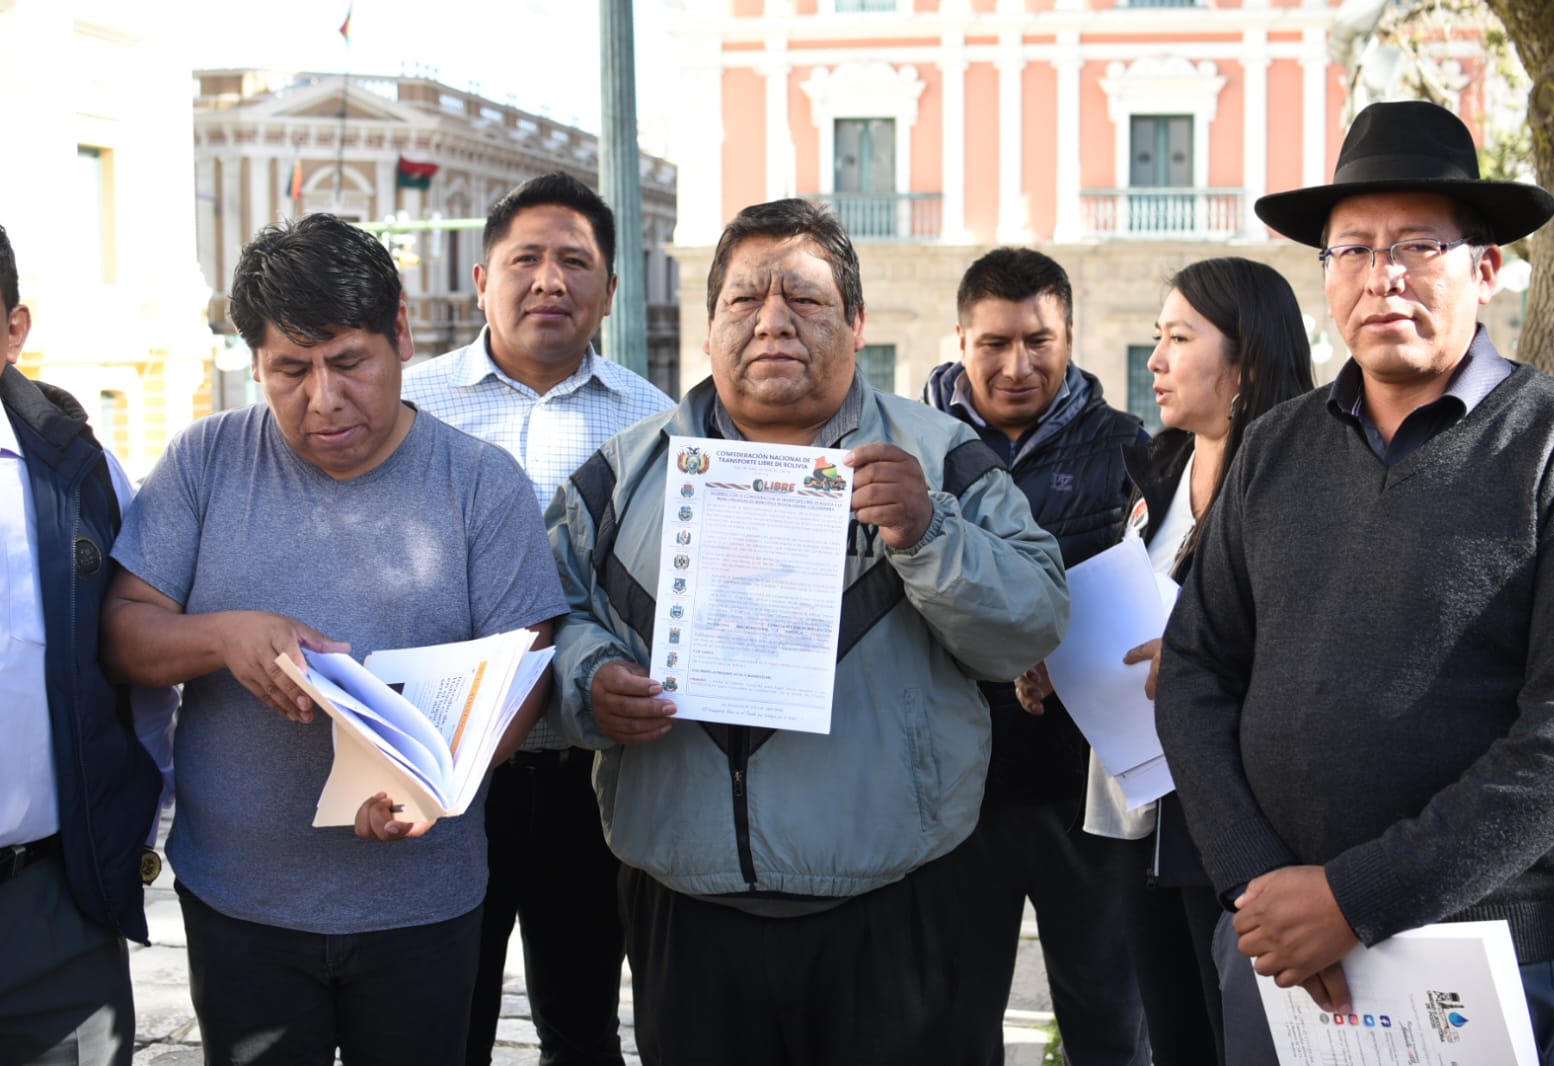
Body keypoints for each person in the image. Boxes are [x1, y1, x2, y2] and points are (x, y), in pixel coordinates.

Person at [546, 198, 1070, 1066]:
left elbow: (1029, 625)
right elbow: (550, 614)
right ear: (709, 325)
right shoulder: (619, 476)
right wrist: (588, 680)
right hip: (688, 916)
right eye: (744, 300)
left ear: (857, 323)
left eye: (807, 301)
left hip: (900, 910)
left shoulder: (940, 456)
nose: (773, 323)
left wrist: (928, 533)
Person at [1156, 99, 1554, 1066]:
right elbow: (1194, 673)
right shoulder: (1272, 446)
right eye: (1350, 250)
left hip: (1481, 956)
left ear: (1484, 267)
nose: (1380, 276)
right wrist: (1259, 883)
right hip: (1277, 948)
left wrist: (1355, 900)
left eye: (1415, 245)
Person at [100, 213, 569, 1066]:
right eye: (290, 370)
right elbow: (125, 636)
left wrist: (440, 780)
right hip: (240, 905)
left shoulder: (479, 484)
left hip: (422, 908)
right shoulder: (207, 461)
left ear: (401, 334)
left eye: (349, 362)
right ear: (255, 364)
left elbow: (528, 665)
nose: (323, 399)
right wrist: (223, 638)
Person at [404, 171, 672, 1066]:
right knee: (443, 1019)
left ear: (608, 290)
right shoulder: (407, 408)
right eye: (525, 259)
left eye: (574, 262)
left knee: (584, 1022)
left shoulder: (656, 424)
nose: (549, 281)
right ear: (482, 278)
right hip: (445, 769)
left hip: (591, 777)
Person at [920, 247, 1150, 1066]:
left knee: (1108, 1020)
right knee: (952, 1023)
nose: (1017, 365)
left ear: (1070, 335)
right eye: (993, 343)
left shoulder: (1131, 449)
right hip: (947, 789)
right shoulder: (911, 445)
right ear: (959, 339)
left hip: (1084, 790)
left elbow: (1155, 601)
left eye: (1038, 341)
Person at [1111, 257, 1314, 1066]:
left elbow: (1320, 641)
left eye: (1179, 338)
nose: (1155, 359)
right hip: (1137, 813)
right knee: (1170, 1036)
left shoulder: (1300, 478)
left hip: (1238, 827)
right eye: (1156, 337)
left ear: (1248, 361)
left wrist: (1203, 658)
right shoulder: (1155, 469)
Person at [0, 223, 171, 1066]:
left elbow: (138, 663)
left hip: (51, 909)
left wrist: (134, 827)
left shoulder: (82, 474)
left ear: (13, 329)